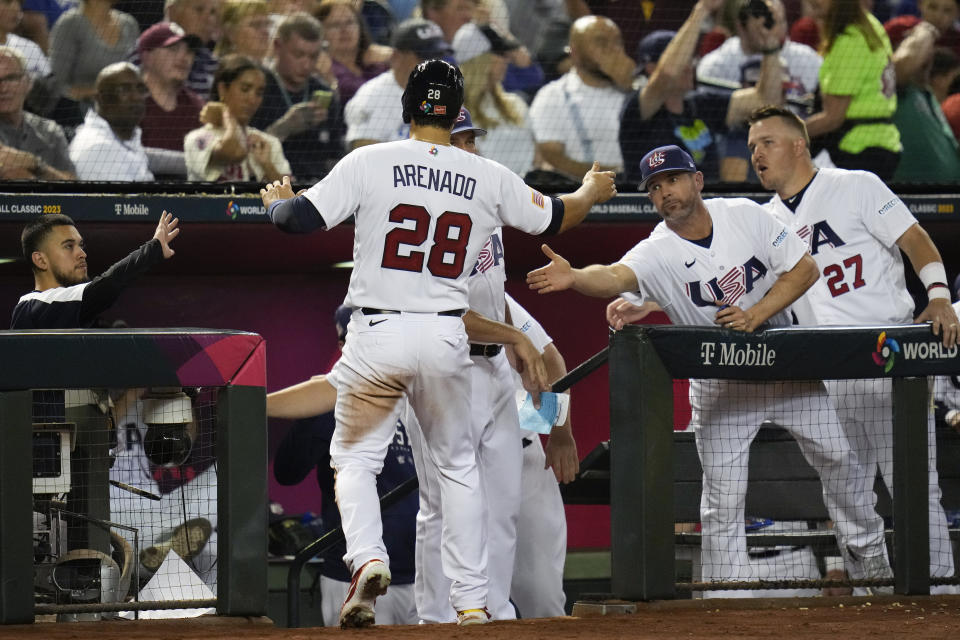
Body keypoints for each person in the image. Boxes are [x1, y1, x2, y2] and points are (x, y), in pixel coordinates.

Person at [259, 58, 616, 626]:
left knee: (355, 460)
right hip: (448, 342)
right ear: (453, 120)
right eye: (465, 133)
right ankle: (466, 604)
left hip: (395, 337)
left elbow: (295, 220)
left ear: (407, 111)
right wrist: (592, 191)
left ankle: (373, 559)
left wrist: (275, 200)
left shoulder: (371, 160)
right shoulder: (485, 181)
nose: (469, 142)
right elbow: (557, 219)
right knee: (455, 479)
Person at [528, 143, 894, 596]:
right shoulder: (656, 250)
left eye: (674, 179)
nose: (666, 192)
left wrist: (755, 315)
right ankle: (725, 599)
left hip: (789, 371)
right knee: (722, 498)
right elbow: (615, 275)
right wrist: (577, 277)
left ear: (697, 180)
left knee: (842, 463)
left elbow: (804, 270)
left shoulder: (746, 215)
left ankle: (873, 573)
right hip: (723, 385)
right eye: (655, 188)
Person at [746, 104, 960, 591]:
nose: (756, 153)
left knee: (912, 484)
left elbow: (916, 239)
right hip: (829, 369)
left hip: (890, 357)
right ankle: (872, 594)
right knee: (846, 492)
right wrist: (643, 298)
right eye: (752, 146)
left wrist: (940, 296)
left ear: (799, 145)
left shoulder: (856, 185)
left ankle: (942, 593)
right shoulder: (763, 220)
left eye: (767, 142)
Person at [268, 304, 419, 626]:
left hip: (427, 570)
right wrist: (314, 414)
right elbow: (287, 472)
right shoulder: (329, 401)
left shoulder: (422, 390)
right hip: (351, 574)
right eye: (344, 338)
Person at [618, 1, 785, 184]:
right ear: (651, 68)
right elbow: (667, 74)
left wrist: (770, 47)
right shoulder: (638, 109)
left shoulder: (701, 104)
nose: (690, 67)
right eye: (684, 61)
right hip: (649, 205)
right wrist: (701, 11)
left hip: (706, 205)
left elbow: (765, 102)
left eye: (692, 59)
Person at [11, 211, 178, 328]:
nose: (82, 253)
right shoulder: (30, 306)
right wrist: (152, 249)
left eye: (81, 246)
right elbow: (106, 286)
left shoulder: (74, 312)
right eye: (68, 246)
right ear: (40, 260)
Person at [803, 0, 902, 179]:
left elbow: (832, 118)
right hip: (882, 145)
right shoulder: (870, 25)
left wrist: (790, 132)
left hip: (857, 151)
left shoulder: (849, 41)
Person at [528, 15, 629, 181]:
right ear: (574, 52)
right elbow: (554, 158)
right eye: (601, 42)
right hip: (580, 194)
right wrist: (616, 176)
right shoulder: (552, 96)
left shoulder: (635, 91)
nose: (612, 49)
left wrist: (631, 85)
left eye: (617, 41)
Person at [249, 13, 344, 182]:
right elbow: (245, 153)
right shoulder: (256, 86)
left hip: (316, 190)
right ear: (277, 46)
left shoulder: (326, 95)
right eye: (298, 55)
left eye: (313, 56)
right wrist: (285, 127)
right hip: (264, 187)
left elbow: (335, 157)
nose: (306, 65)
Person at [344, 17, 451, 149]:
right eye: (426, 57)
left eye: (439, 56)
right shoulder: (372, 98)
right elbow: (364, 157)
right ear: (396, 57)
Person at [184, 54, 291, 182]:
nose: (252, 100)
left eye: (259, 93)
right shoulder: (197, 139)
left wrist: (267, 165)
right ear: (222, 89)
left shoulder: (269, 143)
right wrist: (226, 115)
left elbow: (290, 197)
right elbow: (234, 152)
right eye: (245, 89)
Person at [136, 21, 204, 175]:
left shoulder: (198, 108)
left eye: (189, 51)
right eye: (173, 49)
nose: (183, 57)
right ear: (147, 57)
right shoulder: (128, 104)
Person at [49, 0, 140, 115]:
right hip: (82, 114)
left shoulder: (129, 24)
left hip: (128, 113)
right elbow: (57, 84)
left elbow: (138, 73)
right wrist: (102, 93)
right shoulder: (69, 24)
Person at [69, 62, 154, 181]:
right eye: (124, 90)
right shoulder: (97, 149)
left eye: (141, 89)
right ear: (101, 99)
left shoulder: (122, 136)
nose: (137, 97)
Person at [0, 46, 75, 180]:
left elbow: (73, 184)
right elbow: (14, 177)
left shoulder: (49, 131)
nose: (3, 88)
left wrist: (36, 164)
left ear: (28, 83)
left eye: (11, 78)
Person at [314, 0, 392, 105]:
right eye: (335, 25)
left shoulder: (377, 63)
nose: (344, 30)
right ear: (321, 32)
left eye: (350, 22)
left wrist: (394, 59)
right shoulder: (322, 68)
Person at [164, 0, 221, 100]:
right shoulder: (147, 53)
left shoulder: (214, 65)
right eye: (199, 10)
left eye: (212, 12)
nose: (208, 19)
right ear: (173, 13)